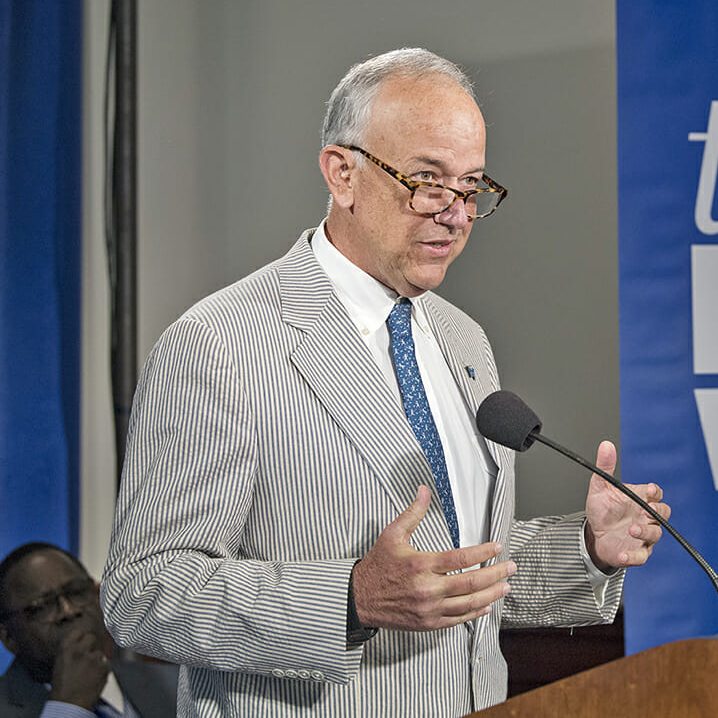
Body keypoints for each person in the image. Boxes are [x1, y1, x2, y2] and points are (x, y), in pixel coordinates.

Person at [100, 47, 669, 717]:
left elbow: (449, 569)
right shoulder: (220, 345)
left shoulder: (463, 340)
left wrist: (586, 548)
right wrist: (349, 599)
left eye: (471, 187)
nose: (455, 213)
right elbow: (143, 592)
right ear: (342, 173)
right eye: (427, 180)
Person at [0, 542, 176, 718]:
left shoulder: (178, 684)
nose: (68, 611)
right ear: (8, 637)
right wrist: (68, 706)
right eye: (41, 607)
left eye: (76, 592)